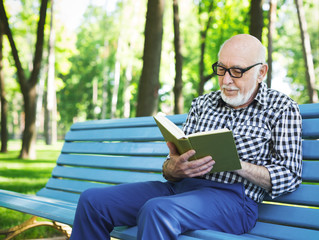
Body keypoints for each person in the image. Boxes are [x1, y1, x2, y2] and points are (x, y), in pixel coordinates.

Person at [70, 34, 302, 240]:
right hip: (181, 190)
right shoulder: (203, 104)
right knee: (93, 201)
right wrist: (173, 168)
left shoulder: (281, 108)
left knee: (158, 210)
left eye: (237, 71)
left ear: (261, 72)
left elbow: (290, 176)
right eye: (221, 69)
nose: (226, 79)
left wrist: (235, 164)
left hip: (235, 201)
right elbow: (171, 168)